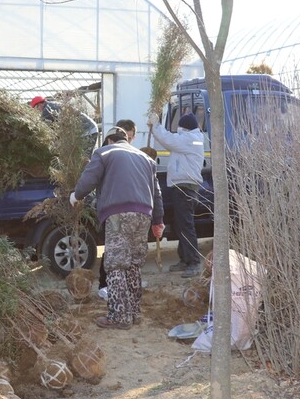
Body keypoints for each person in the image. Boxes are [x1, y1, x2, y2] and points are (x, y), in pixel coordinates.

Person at [70, 126, 164, 329]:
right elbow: (156, 192)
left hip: (118, 214)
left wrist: (76, 195)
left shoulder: (104, 152)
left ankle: (119, 316)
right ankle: (134, 313)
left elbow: (89, 179)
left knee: (114, 265)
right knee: (133, 265)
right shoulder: (145, 158)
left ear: (110, 140)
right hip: (144, 214)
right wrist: (158, 220)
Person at [147, 111, 205, 278]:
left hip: (185, 189)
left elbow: (168, 140)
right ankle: (185, 259)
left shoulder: (190, 139)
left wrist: (156, 125)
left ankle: (194, 262)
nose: (178, 130)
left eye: (180, 127)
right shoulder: (189, 139)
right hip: (182, 188)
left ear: (185, 128)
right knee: (181, 226)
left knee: (186, 226)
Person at [97, 119, 141, 301]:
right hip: (113, 208)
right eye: (127, 137)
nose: (129, 142)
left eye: (131, 138)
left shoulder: (128, 155)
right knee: (113, 250)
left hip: (124, 208)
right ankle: (104, 285)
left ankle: (122, 286)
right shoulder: (105, 154)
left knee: (125, 250)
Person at [30, 95, 99, 153]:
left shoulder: (47, 110)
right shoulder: (52, 105)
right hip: (87, 129)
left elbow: (46, 129)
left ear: (39, 105)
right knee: (79, 157)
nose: (37, 111)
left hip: (87, 130)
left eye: (36, 109)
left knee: (83, 157)